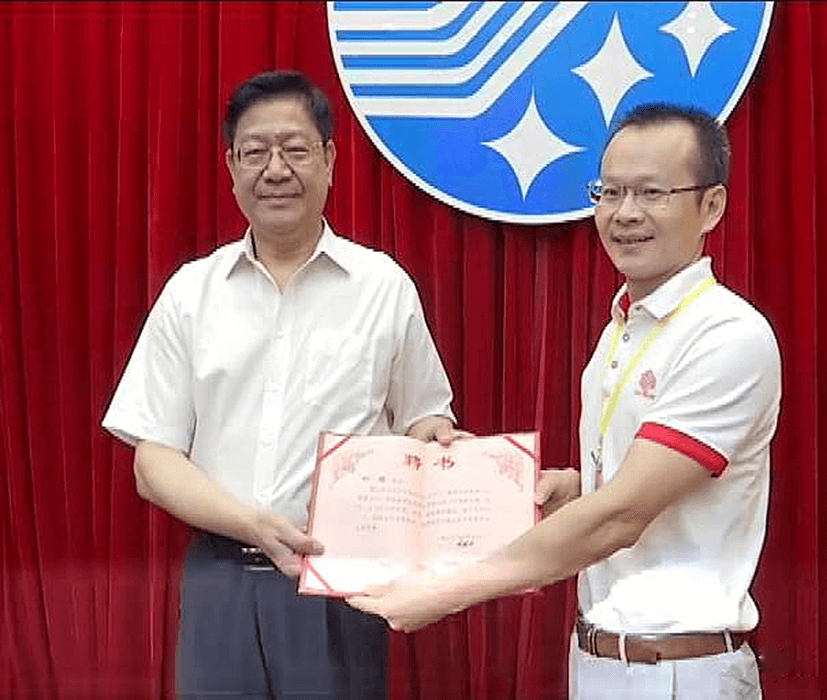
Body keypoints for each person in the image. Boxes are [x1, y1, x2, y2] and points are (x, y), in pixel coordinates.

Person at [349, 104, 781, 700]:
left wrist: (445, 592)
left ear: (712, 206)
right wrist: (573, 490)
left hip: (680, 671)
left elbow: (621, 516)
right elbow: (642, 488)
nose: (625, 213)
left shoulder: (727, 334)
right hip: (597, 659)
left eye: (652, 193)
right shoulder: (622, 328)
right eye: (611, 192)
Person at [102, 70, 463, 700]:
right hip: (220, 579)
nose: (276, 169)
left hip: (338, 580)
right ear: (230, 167)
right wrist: (250, 524)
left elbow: (424, 418)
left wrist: (438, 443)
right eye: (255, 152)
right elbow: (153, 462)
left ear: (329, 159)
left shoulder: (383, 287)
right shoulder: (191, 293)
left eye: (295, 149)